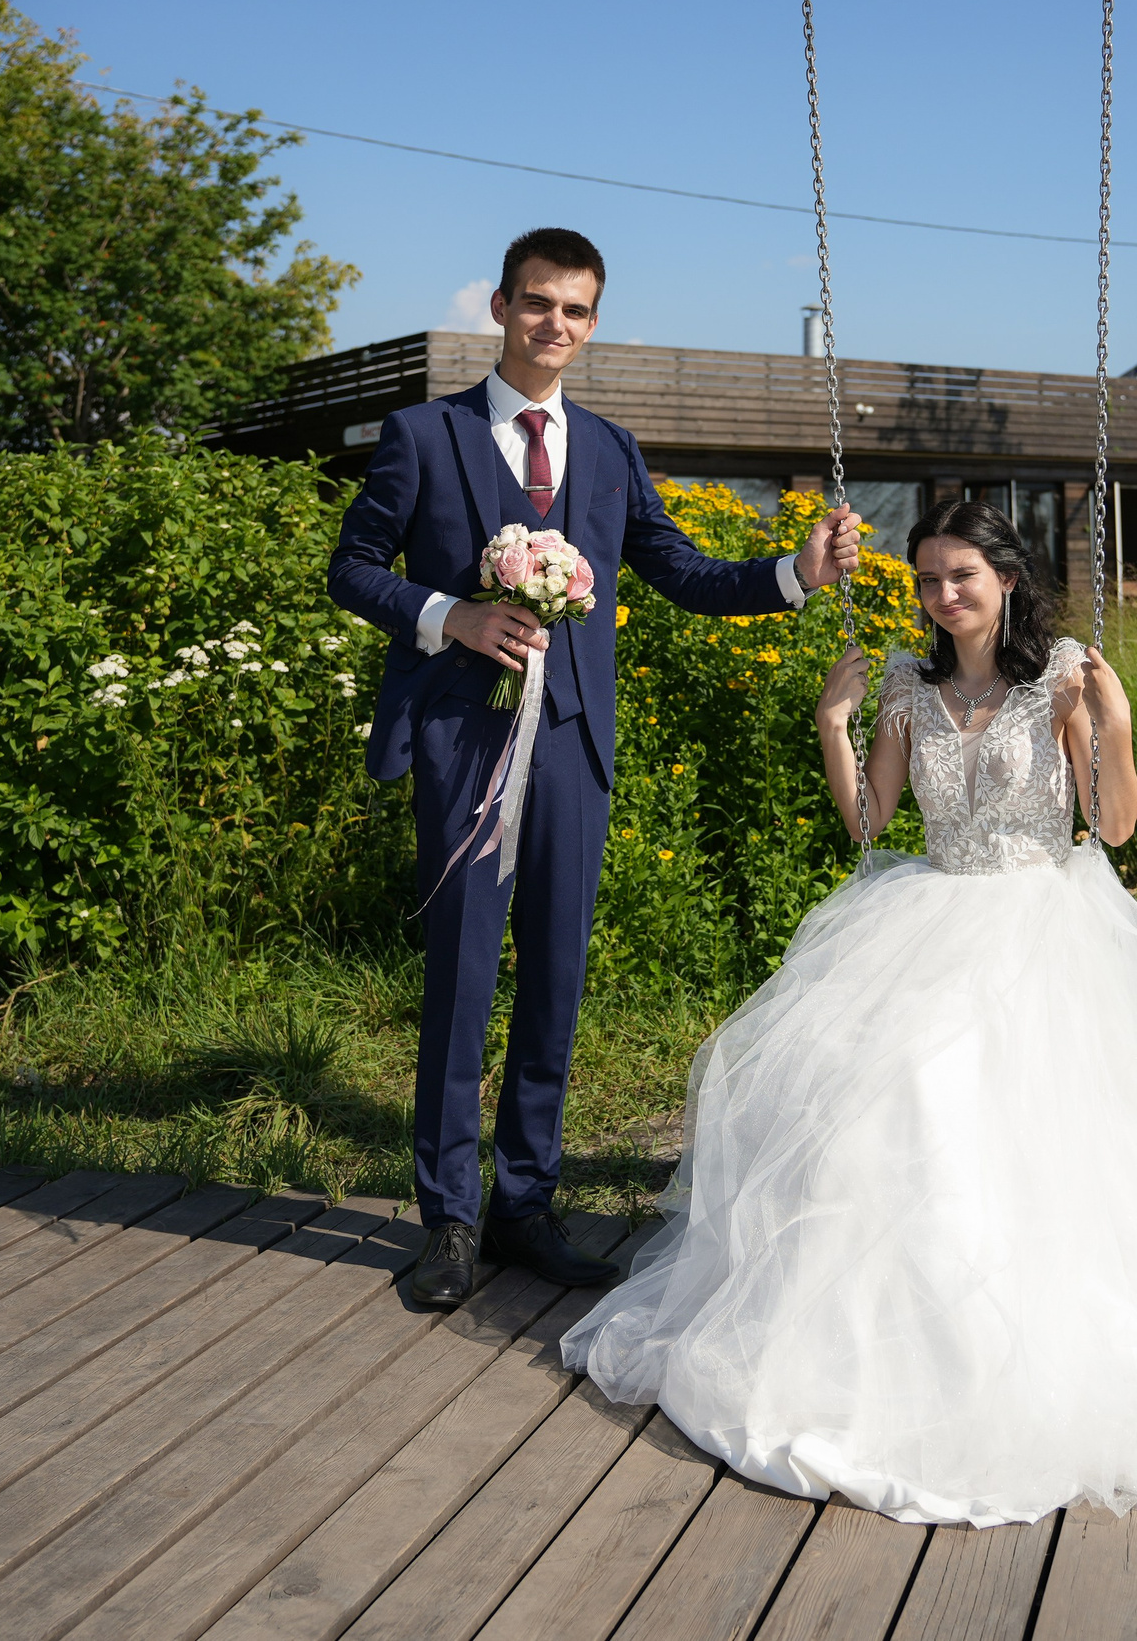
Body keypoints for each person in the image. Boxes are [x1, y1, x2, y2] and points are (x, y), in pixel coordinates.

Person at [562, 499, 1137, 1526]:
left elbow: (1111, 825)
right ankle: (891, 1346)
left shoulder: (1063, 676)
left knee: (1047, 1140)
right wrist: (832, 724)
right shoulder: (908, 683)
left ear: (1007, 579)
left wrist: (1114, 725)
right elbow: (870, 822)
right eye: (927, 580)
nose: (943, 597)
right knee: (900, 1109)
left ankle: (1036, 1356)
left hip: (1042, 926)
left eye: (962, 577)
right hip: (928, 916)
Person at [328, 228, 862, 1310]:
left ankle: (526, 1204)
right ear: (501, 308)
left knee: (556, 982)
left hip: (572, 743)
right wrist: (449, 615)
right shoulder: (422, 436)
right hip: (463, 740)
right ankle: (449, 1219)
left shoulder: (611, 450)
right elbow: (349, 568)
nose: (552, 325)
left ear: (593, 321)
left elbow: (677, 570)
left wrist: (792, 573)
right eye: (535, 304)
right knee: (463, 979)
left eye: (573, 310)